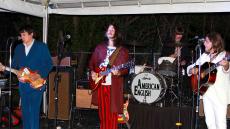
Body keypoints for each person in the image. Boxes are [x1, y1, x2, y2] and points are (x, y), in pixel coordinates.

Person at [0, 25, 53, 129]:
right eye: (21, 34)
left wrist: (38, 74)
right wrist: (4, 69)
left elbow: (48, 64)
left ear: (31, 34)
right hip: (23, 85)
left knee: (33, 112)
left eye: (24, 34)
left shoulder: (41, 46)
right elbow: (14, 66)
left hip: (37, 84)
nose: (21, 36)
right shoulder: (19, 48)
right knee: (25, 113)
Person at [89, 24, 129, 129]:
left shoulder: (122, 51)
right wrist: (93, 72)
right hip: (101, 85)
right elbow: (92, 64)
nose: (110, 31)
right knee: (102, 114)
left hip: (114, 86)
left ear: (117, 32)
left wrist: (119, 73)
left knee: (113, 114)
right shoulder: (99, 48)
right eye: (108, 29)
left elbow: (126, 69)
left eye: (113, 29)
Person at [187, 32, 230, 129]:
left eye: (206, 41)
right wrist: (192, 70)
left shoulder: (224, 55)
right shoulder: (204, 57)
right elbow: (191, 68)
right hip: (206, 93)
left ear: (214, 43)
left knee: (221, 123)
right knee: (209, 123)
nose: (204, 44)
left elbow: (227, 70)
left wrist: (226, 65)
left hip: (219, 95)